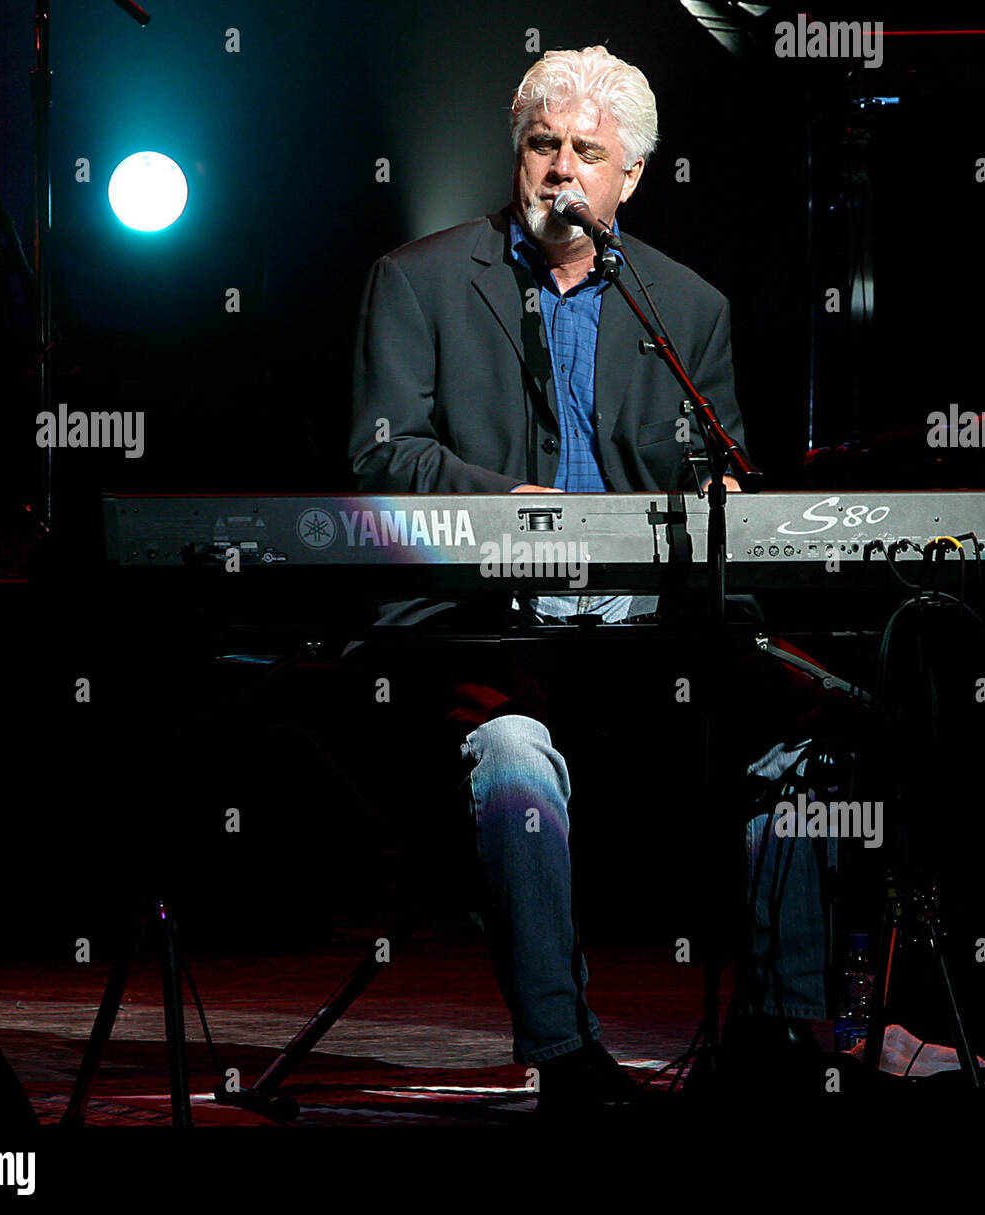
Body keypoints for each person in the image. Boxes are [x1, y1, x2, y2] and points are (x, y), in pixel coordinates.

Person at [348, 46, 832, 1115]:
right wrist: (510, 502)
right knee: (515, 760)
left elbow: (720, 482)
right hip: (487, 629)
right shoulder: (419, 278)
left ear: (630, 177)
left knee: (797, 743)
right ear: (516, 157)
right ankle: (565, 1055)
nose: (561, 169)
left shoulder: (685, 306)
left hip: (641, 633)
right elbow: (385, 457)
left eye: (587, 152)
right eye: (542, 146)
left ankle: (782, 1035)